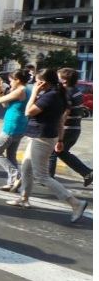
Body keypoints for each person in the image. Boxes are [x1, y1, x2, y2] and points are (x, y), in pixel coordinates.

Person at [7, 69, 88, 223]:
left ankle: (76, 203)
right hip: (43, 136)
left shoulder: (50, 96)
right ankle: (24, 198)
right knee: (26, 167)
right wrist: (60, 140)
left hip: (42, 138)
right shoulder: (58, 94)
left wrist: (34, 93)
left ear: (43, 82)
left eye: (37, 81)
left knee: (42, 175)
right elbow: (60, 120)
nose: (35, 83)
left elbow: (29, 112)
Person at [48, 68, 93, 186]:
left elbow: (63, 116)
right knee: (62, 153)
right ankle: (87, 173)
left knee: (52, 153)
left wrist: (60, 137)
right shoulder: (76, 91)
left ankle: (48, 180)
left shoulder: (67, 93)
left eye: (58, 77)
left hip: (67, 129)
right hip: (75, 129)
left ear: (64, 80)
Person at [0, 69, 29, 190]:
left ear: (18, 80)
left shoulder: (21, 90)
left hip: (12, 126)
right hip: (19, 126)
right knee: (11, 155)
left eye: (11, 81)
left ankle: (16, 175)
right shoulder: (23, 90)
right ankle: (12, 183)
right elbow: (4, 104)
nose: (10, 83)